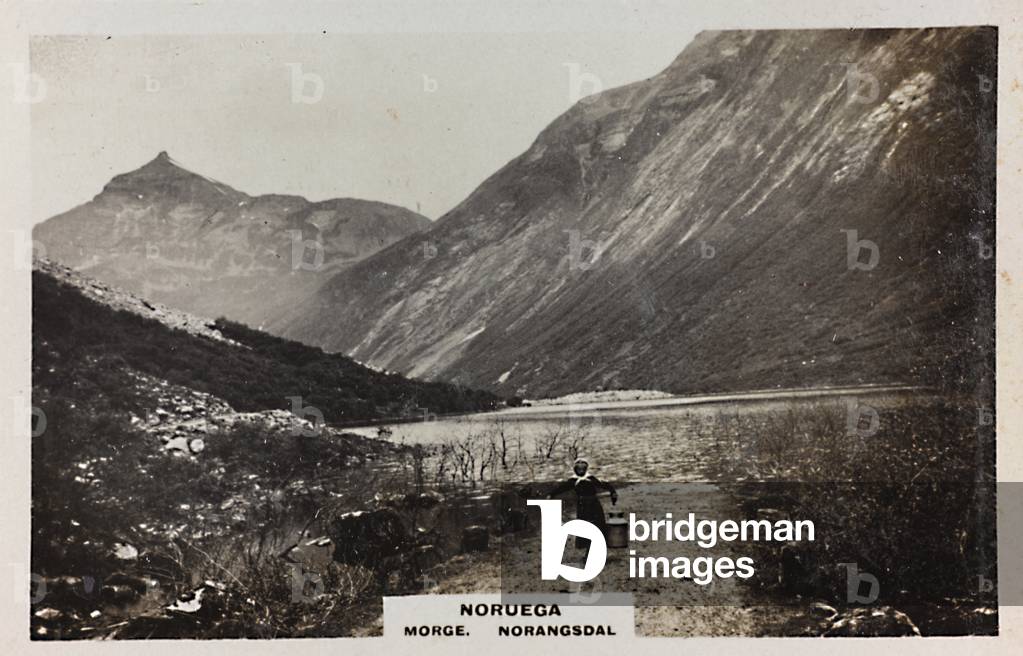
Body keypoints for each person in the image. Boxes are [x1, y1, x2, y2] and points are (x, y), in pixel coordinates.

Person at [547, 457, 618, 553]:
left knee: (597, 526)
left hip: (594, 506)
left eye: (582, 468)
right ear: (575, 469)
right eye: (578, 469)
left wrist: (612, 491)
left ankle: (595, 551)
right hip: (583, 507)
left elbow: (604, 485)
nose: (580, 471)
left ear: (586, 469)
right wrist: (551, 494)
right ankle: (589, 552)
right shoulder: (573, 481)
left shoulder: (591, 479)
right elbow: (561, 488)